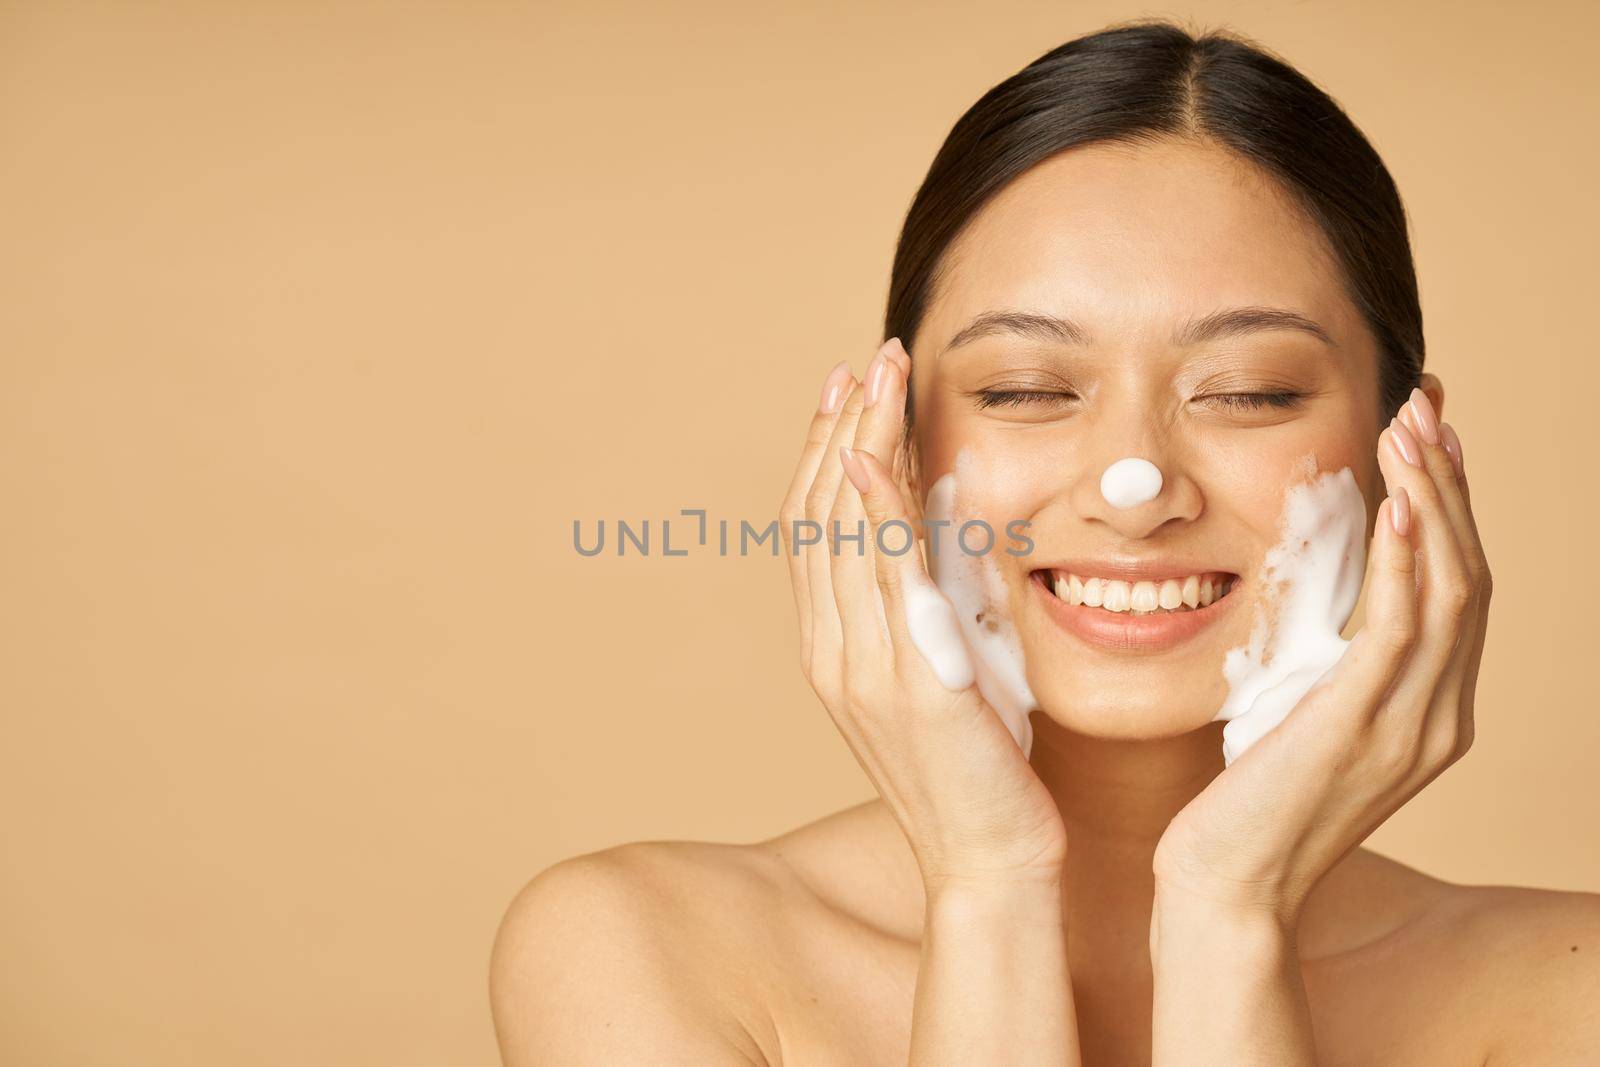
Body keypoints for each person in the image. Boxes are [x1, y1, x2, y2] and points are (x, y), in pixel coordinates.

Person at [491, 20, 1599, 1064]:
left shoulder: (1564, 991)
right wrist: (987, 884)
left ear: (1403, 440)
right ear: (899, 439)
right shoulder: (651, 954)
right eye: (1023, 388)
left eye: (1250, 392)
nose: (1134, 485)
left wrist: (1228, 912)